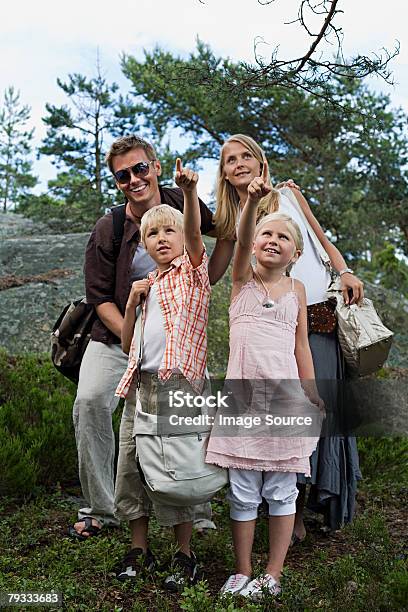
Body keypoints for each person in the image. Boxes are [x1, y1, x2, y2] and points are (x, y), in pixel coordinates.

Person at [210, 134, 363, 542]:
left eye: (247, 156)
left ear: (261, 162)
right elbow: (214, 273)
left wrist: (344, 270)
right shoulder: (232, 222)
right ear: (223, 173)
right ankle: (284, 508)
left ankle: (312, 502)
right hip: (273, 324)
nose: (239, 163)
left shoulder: (286, 195)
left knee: (316, 405)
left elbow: (319, 238)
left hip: (317, 314)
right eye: (230, 160)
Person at [69, 136, 215, 540]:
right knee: (90, 403)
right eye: (122, 175)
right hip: (117, 336)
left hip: (175, 342)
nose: (133, 179)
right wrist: (131, 338)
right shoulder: (109, 226)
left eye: (140, 168)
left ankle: (195, 508)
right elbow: (98, 298)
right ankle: (102, 508)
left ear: (156, 166)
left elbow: (223, 235)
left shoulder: (184, 203)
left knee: (183, 417)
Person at [206, 166, 322, 599]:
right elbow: (238, 240)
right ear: (254, 244)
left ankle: (272, 573)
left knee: (280, 489)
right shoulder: (241, 282)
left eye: (283, 238)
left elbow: (302, 348)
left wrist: (312, 396)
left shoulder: (296, 291)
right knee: (242, 490)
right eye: (266, 235)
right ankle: (241, 570)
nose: (272, 241)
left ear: (294, 253)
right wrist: (253, 201)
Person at [114, 160, 212, 590]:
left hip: (178, 387)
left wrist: (189, 194)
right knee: (131, 465)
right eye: (152, 234)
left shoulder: (192, 274)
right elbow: (126, 345)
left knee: (178, 469)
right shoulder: (147, 284)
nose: (161, 239)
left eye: (168, 231)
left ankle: (184, 553)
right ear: (145, 246)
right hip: (141, 386)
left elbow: (194, 236)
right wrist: (134, 303)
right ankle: (139, 548)